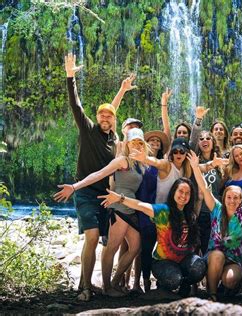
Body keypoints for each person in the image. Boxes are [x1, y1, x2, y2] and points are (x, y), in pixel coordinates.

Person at [57, 53, 135, 301]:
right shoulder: (88, 129)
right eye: (101, 115)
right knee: (91, 236)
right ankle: (85, 288)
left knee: (101, 241)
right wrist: (71, 77)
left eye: (109, 116)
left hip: (107, 195)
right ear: (96, 117)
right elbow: (75, 105)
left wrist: (122, 90)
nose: (105, 118)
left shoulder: (116, 141)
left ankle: (86, 282)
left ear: (113, 121)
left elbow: (112, 110)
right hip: (85, 192)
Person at [55, 128, 150, 297]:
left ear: (143, 145)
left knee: (135, 247)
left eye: (140, 142)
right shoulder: (122, 160)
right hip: (118, 208)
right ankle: (107, 287)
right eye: (133, 141)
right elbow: (100, 174)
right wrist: (75, 186)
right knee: (111, 248)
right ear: (127, 143)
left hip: (131, 208)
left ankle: (114, 282)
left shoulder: (142, 163)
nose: (136, 144)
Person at [98, 178, 206, 296]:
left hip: (184, 261)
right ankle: (164, 286)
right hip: (163, 262)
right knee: (174, 278)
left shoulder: (190, 214)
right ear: (174, 192)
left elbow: (202, 196)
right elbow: (140, 205)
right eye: (181, 191)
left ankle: (184, 283)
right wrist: (120, 198)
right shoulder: (163, 211)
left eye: (187, 193)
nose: (183, 196)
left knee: (199, 267)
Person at [189, 151, 242, 301]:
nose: (232, 201)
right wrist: (195, 167)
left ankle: (228, 287)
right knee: (217, 255)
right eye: (229, 197)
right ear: (224, 197)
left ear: (241, 200)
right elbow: (204, 187)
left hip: (233, 259)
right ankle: (212, 294)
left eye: (236, 198)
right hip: (214, 257)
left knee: (230, 280)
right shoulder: (216, 208)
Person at [133, 129, 169, 292]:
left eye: (158, 141)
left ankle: (164, 281)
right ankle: (144, 281)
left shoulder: (163, 163)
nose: (155, 143)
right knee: (146, 247)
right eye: (152, 140)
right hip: (144, 208)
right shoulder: (139, 162)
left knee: (164, 247)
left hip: (161, 211)